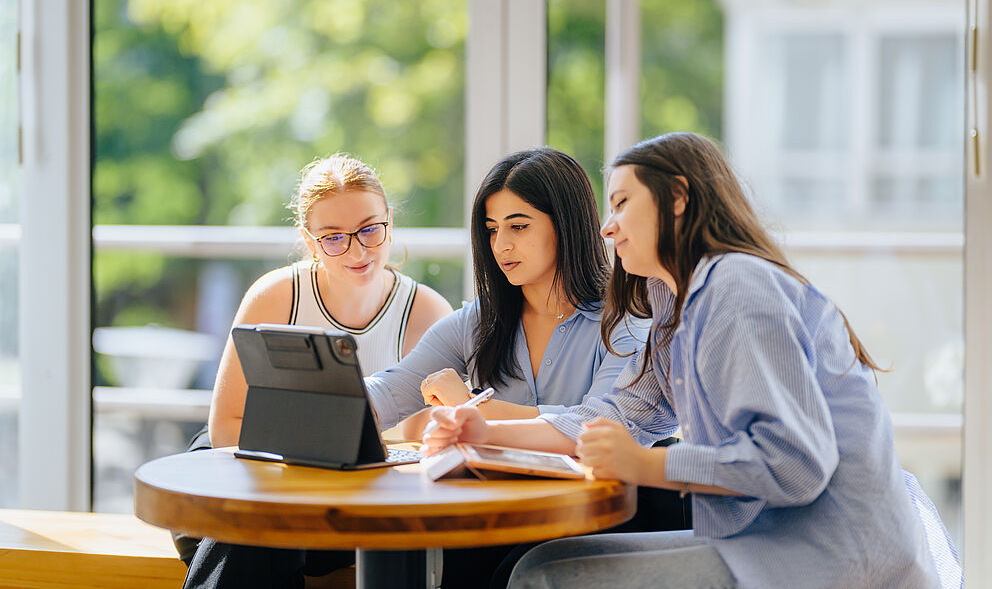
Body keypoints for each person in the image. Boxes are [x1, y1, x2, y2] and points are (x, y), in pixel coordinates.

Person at [423, 132, 948, 589]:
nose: (607, 228)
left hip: (828, 556)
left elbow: (796, 464)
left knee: (543, 577)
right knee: (536, 566)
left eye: (621, 203)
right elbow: (618, 415)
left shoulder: (737, 286)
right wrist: (486, 430)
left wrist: (646, 464)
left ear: (676, 198)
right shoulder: (674, 301)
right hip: (757, 541)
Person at [183, 148, 658, 589]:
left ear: (567, 225)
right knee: (250, 534)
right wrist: (325, 399)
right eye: (492, 229)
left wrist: (472, 414)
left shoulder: (625, 322)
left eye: (518, 226)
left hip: (573, 523)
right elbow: (394, 388)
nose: (501, 245)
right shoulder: (478, 322)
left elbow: (597, 425)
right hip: (477, 517)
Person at [173, 154, 452, 566]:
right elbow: (225, 427)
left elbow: (421, 443)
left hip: (357, 486)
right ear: (309, 241)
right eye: (334, 237)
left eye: (370, 229)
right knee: (255, 523)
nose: (357, 250)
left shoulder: (425, 312)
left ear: (390, 222)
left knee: (256, 534)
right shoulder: (275, 296)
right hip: (252, 463)